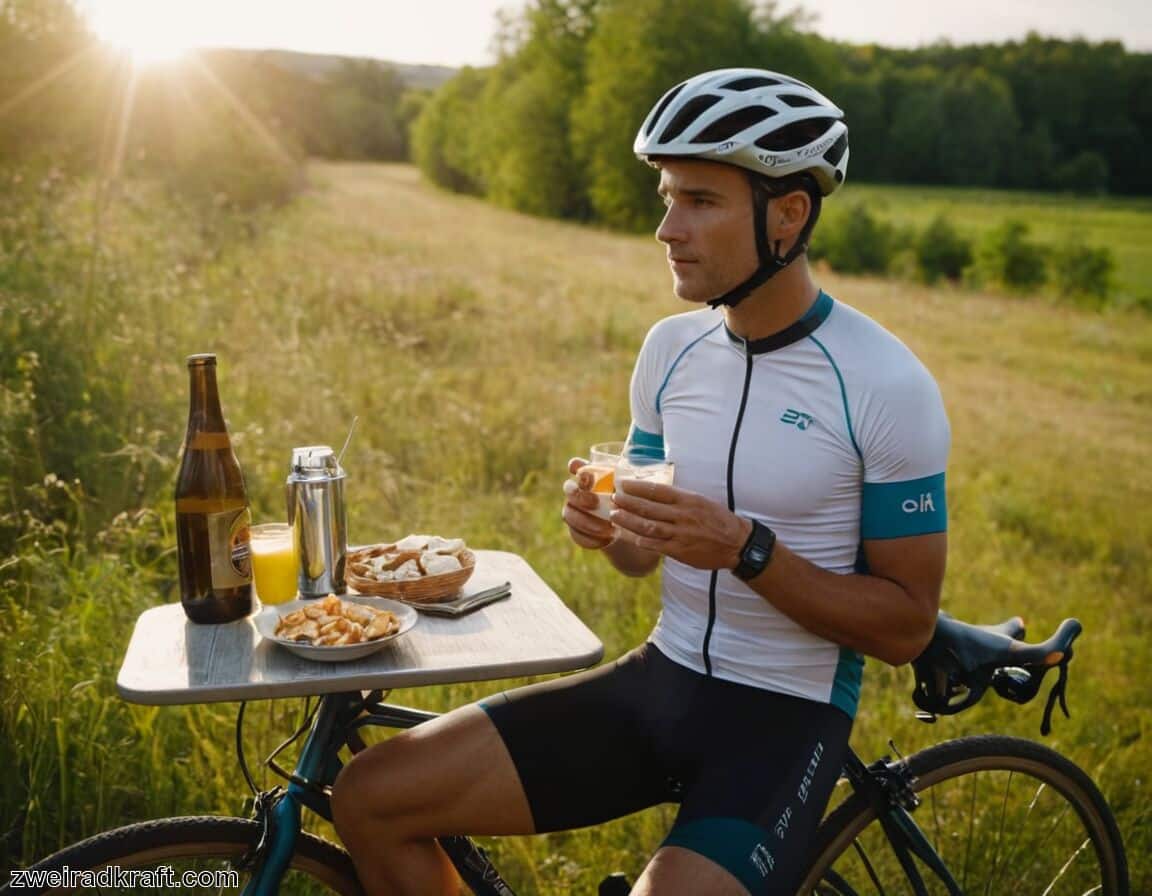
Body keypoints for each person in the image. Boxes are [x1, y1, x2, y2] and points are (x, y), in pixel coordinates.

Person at [332, 67, 950, 896]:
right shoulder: (672, 350)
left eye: (699, 200)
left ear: (789, 214)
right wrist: (606, 525)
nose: (667, 228)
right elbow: (636, 556)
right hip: (659, 683)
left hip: (785, 716)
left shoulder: (885, 384)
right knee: (370, 797)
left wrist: (744, 548)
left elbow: (906, 627)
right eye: (667, 198)